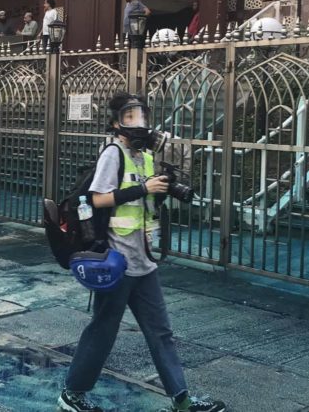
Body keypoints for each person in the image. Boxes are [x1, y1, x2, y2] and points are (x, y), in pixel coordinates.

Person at [57, 93, 225, 412]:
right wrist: (143, 189)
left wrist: (161, 191)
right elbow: (98, 199)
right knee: (103, 330)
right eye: (130, 116)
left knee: (161, 331)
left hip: (143, 260)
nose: (138, 122)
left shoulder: (145, 157)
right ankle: (72, 394)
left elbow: (145, 205)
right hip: (117, 261)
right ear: (116, 122)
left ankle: (182, 400)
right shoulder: (113, 153)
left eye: (141, 116)